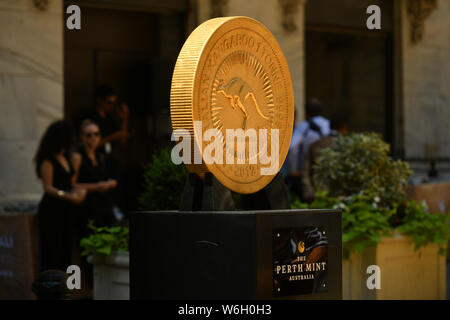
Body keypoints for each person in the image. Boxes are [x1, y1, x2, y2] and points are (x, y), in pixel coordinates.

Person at [34, 120, 87, 271]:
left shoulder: (67, 157)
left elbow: (71, 182)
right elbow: (48, 188)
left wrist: (81, 191)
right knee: (52, 250)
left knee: (66, 250)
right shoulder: (48, 161)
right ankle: (51, 288)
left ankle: (66, 287)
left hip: (66, 210)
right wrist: (68, 196)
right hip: (52, 210)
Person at [71, 119, 119, 229]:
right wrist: (97, 187)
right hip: (87, 208)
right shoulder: (77, 156)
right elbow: (72, 185)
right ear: (82, 137)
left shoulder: (100, 156)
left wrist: (109, 183)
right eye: (89, 135)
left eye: (96, 134)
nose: (93, 137)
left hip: (103, 206)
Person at [284, 98, 330, 199]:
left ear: (306, 112)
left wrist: (293, 170)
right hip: (327, 169)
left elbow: (292, 147)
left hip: (306, 172)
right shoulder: (329, 125)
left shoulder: (303, 127)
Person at [301, 112, 348, 202]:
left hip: (318, 195)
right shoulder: (347, 146)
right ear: (344, 126)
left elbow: (305, 172)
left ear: (330, 125)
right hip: (340, 198)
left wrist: (309, 192)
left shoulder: (315, 145)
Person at [86, 85, 130, 155]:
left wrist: (124, 119)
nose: (111, 106)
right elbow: (88, 143)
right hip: (94, 156)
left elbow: (122, 140)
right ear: (99, 100)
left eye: (113, 103)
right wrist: (113, 137)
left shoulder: (110, 118)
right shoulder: (90, 116)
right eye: (109, 102)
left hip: (109, 156)